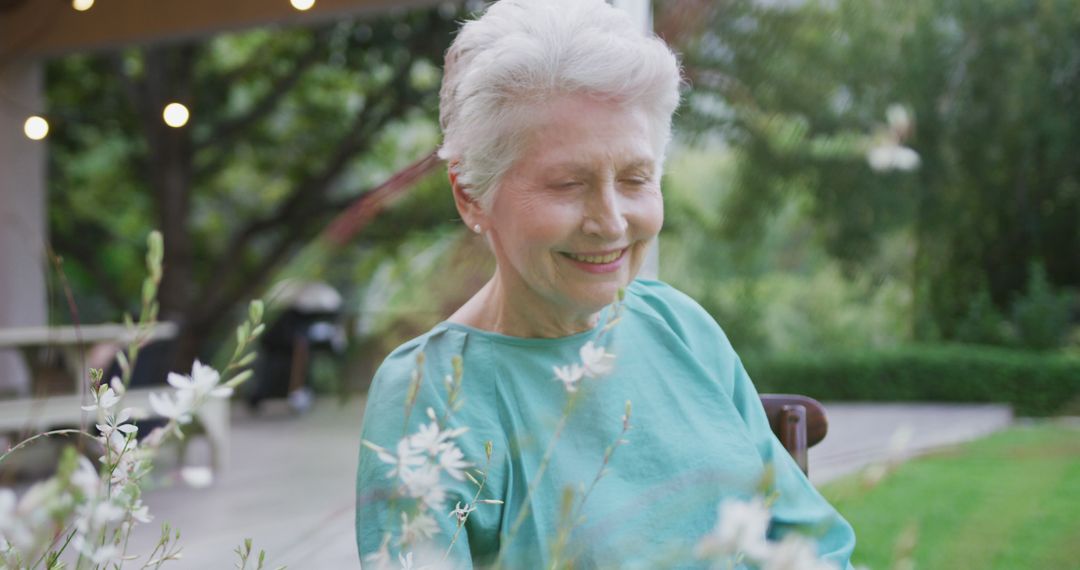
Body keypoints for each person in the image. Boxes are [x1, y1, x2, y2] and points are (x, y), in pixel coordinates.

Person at [356, 1, 856, 568]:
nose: (612, 221)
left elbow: (812, 544)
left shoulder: (679, 325)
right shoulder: (429, 396)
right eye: (569, 184)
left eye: (636, 178)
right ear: (471, 195)